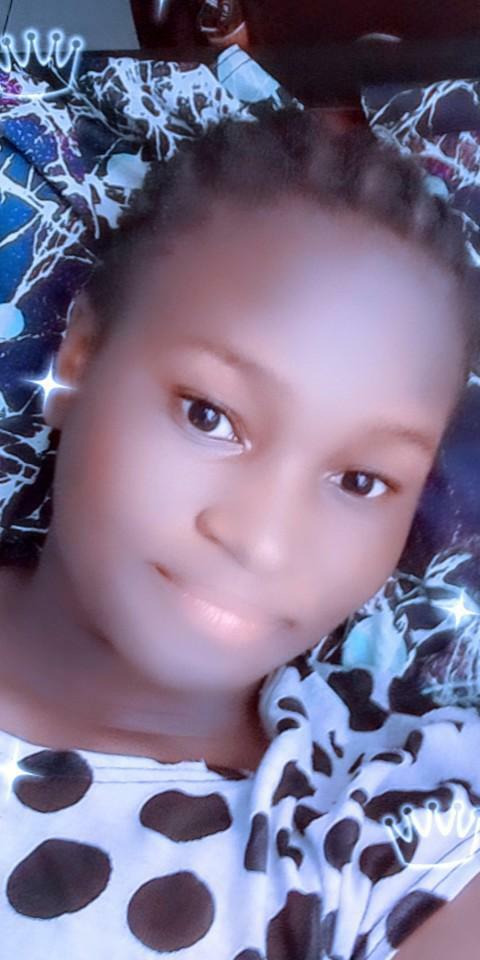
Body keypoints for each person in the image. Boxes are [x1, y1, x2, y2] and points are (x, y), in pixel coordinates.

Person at [1, 106, 480, 959]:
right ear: (78, 361)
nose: (264, 541)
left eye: (360, 481)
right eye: (209, 415)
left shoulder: (396, 832)